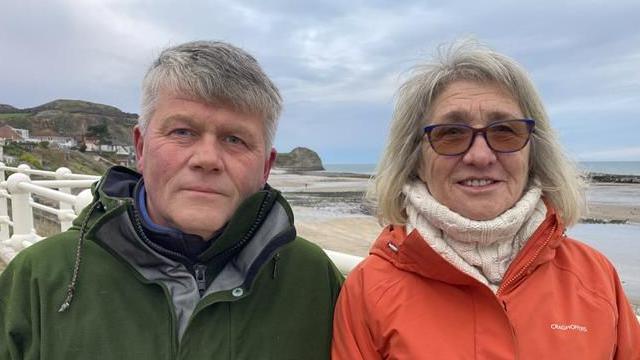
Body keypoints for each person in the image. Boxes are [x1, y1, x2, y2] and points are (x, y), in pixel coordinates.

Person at [0, 41, 343, 359]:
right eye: (182, 132)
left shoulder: (315, 281)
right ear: (141, 147)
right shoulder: (40, 278)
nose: (207, 158)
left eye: (235, 139)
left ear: (266, 167)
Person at [332, 39, 640, 359]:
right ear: (416, 159)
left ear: (533, 153)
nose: (480, 155)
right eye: (451, 133)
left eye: (505, 130)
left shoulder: (595, 276)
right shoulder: (369, 289)